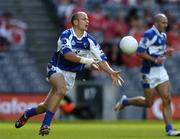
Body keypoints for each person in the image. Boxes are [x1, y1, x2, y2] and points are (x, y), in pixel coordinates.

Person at [15, 11, 123, 136]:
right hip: (56, 68)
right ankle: (45, 125)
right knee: (60, 89)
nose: (87, 21)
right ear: (75, 22)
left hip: (71, 75)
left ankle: (27, 114)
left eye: (87, 19)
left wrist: (111, 72)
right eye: (84, 19)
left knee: (45, 106)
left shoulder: (90, 40)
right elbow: (68, 55)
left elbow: (101, 59)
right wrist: (87, 60)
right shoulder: (66, 35)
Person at [114, 13, 180, 136]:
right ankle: (126, 101)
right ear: (156, 23)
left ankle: (170, 129)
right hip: (148, 72)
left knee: (167, 99)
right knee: (149, 103)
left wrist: (166, 52)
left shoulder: (163, 35)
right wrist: (155, 60)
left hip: (160, 70)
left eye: (166, 22)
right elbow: (139, 52)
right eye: (163, 22)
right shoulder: (149, 34)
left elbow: (157, 52)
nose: (165, 25)